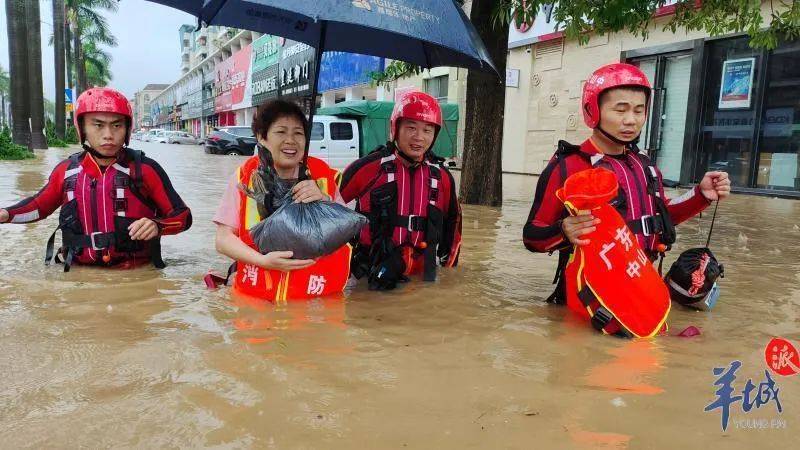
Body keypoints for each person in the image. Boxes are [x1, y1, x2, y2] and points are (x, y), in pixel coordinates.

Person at [522, 62, 731, 330]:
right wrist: (564, 230)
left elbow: (660, 218)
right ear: (593, 111)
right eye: (619, 110)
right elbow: (532, 236)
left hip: (639, 292)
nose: (631, 120)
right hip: (588, 304)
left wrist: (701, 195)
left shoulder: (645, 165)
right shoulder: (569, 166)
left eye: (639, 110)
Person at [0, 87, 192, 271]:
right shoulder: (65, 171)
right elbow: (39, 207)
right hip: (79, 275)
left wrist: (158, 226)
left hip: (135, 275)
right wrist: (6, 214)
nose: (108, 135)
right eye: (98, 125)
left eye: (117, 125)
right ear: (82, 128)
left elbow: (184, 217)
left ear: (127, 129)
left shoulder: (146, 170)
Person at [213, 99, 352, 301]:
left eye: (298, 133)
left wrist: (324, 200)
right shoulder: (244, 177)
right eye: (281, 132)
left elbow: (347, 232)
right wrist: (262, 261)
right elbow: (222, 240)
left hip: (315, 298)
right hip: (258, 298)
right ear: (262, 137)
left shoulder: (324, 176)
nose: (291, 140)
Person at [340, 91, 462, 290]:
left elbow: (454, 229)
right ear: (395, 128)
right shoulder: (365, 169)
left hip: (423, 280)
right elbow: (329, 214)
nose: (419, 138)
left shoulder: (443, 178)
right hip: (370, 276)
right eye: (411, 128)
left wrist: (448, 280)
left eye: (427, 130)